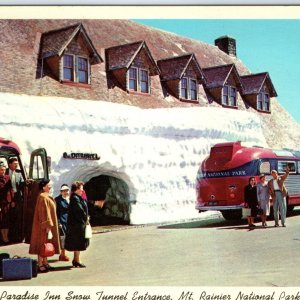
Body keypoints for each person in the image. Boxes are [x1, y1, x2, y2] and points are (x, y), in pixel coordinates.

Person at [29, 179, 61, 273]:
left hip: (46, 225)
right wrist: (47, 225)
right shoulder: (43, 197)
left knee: (46, 244)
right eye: (48, 185)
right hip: (43, 226)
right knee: (42, 244)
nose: (50, 186)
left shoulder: (45, 196)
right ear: (43, 187)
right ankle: (40, 264)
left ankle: (45, 262)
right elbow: (44, 213)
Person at [65, 181, 89, 268]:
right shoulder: (75, 198)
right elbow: (79, 211)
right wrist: (85, 218)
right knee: (78, 242)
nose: (82, 190)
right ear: (77, 189)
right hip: (77, 225)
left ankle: (76, 260)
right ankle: (77, 260)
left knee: (77, 243)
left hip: (77, 224)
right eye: (81, 188)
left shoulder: (77, 197)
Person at [6, 157, 24, 242]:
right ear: (9, 164)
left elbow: (21, 183)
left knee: (18, 216)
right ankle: (8, 237)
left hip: (17, 196)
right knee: (9, 216)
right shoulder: (4, 172)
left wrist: (26, 182)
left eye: (17, 164)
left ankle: (16, 237)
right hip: (8, 197)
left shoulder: (19, 172)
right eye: (15, 164)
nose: (16, 165)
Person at [55, 184, 70, 261]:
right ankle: (62, 254)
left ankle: (64, 253)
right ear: (61, 192)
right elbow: (56, 212)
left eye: (67, 190)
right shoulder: (57, 200)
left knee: (68, 237)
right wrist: (58, 222)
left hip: (70, 221)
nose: (65, 192)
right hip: (62, 220)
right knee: (63, 238)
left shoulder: (70, 198)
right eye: (63, 191)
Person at [0, 164, 14, 243]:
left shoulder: (8, 177)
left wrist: (12, 201)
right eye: (1, 170)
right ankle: (3, 237)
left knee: (7, 220)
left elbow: (11, 189)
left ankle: (6, 236)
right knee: (2, 221)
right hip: (1, 203)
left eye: (4, 170)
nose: (3, 171)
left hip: (7, 202)